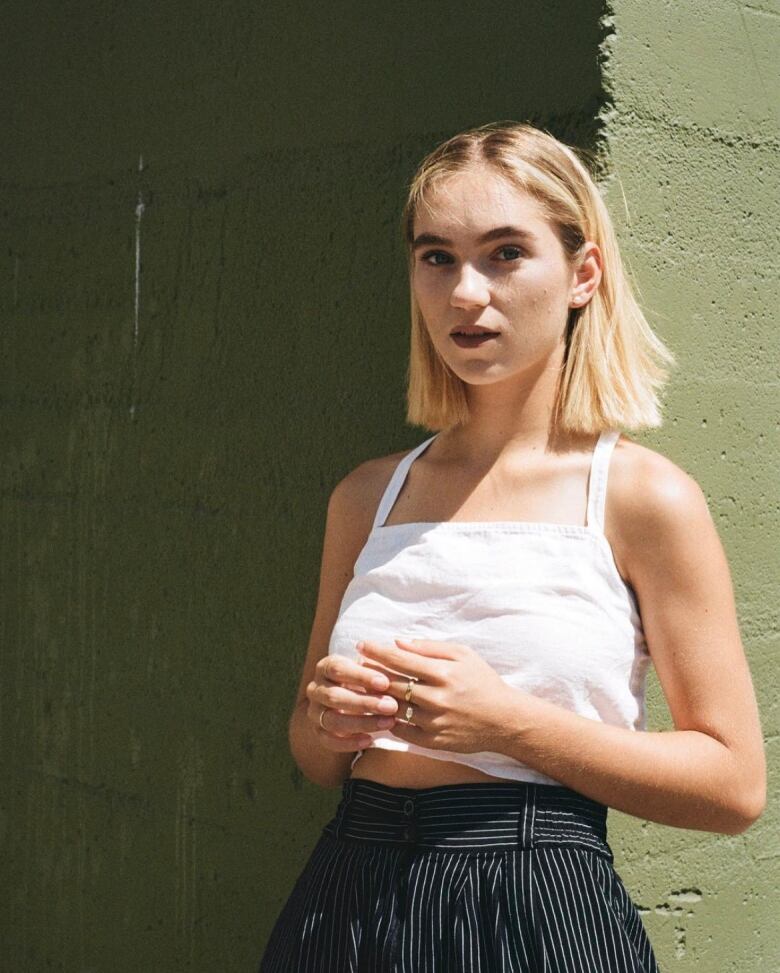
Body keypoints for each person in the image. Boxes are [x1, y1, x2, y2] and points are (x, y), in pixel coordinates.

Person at [258, 121, 766, 972]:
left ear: (582, 274)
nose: (465, 292)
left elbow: (734, 785)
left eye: (504, 254)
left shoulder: (643, 497)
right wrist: (330, 717)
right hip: (347, 898)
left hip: (537, 901)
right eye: (436, 257)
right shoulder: (368, 496)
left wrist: (507, 724)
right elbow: (316, 759)